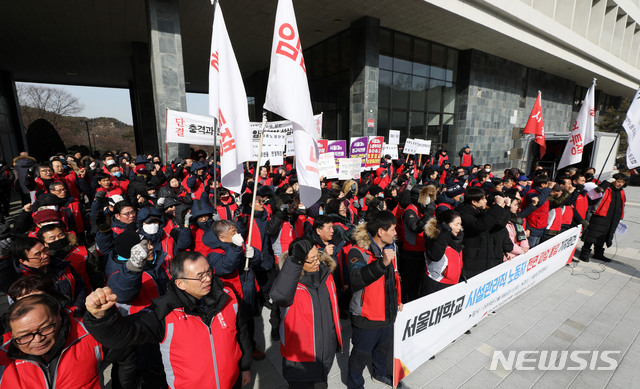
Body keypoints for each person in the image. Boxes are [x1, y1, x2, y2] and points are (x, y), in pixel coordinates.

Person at [84, 251, 253, 388]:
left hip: (232, 383)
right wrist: (100, 317)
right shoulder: (164, 312)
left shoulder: (228, 296)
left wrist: (245, 367)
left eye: (209, 271)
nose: (208, 279)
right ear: (180, 283)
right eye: (200, 276)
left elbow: (242, 334)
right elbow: (123, 334)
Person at [0, 294, 120, 388]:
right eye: (24, 336)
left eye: (45, 328)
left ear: (59, 315)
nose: (38, 339)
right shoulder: (2, 357)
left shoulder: (88, 335)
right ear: (11, 334)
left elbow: (125, 352)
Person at [270, 238, 342, 389]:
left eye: (318, 256)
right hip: (299, 361)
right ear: (299, 262)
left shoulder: (326, 276)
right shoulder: (290, 285)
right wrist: (294, 261)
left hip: (324, 355)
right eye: (312, 260)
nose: (317, 262)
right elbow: (279, 296)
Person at [347, 210, 402, 389]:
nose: (395, 233)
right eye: (393, 229)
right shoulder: (357, 251)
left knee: (382, 349)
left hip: (387, 313)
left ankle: (379, 374)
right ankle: (354, 384)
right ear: (380, 231)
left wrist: (397, 300)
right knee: (360, 355)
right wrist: (381, 263)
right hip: (366, 317)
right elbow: (357, 278)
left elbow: (394, 279)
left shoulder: (390, 248)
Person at [455, 187, 510, 278]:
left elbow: (499, 224)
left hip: (484, 257)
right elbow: (481, 225)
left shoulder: (478, 211)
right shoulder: (463, 214)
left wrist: (506, 207)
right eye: (483, 199)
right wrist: (498, 205)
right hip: (472, 260)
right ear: (474, 202)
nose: (486, 201)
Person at [579, 174, 627, 262]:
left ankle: (598, 253)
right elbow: (596, 192)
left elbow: (622, 205)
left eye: (622, 182)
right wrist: (607, 182)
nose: (620, 184)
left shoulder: (621, 192)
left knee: (603, 236)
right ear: (613, 180)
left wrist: (620, 217)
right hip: (599, 216)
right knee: (592, 235)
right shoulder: (607, 188)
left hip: (612, 218)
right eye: (618, 181)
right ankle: (584, 253)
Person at [421, 210, 464, 295]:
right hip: (437, 284)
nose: (459, 228)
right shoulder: (434, 237)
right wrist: (443, 234)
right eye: (456, 224)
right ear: (445, 225)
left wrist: (461, 273)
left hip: (453, 283)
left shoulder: (457, 238)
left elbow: (457, 258)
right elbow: (435, 256)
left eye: (460, 224)